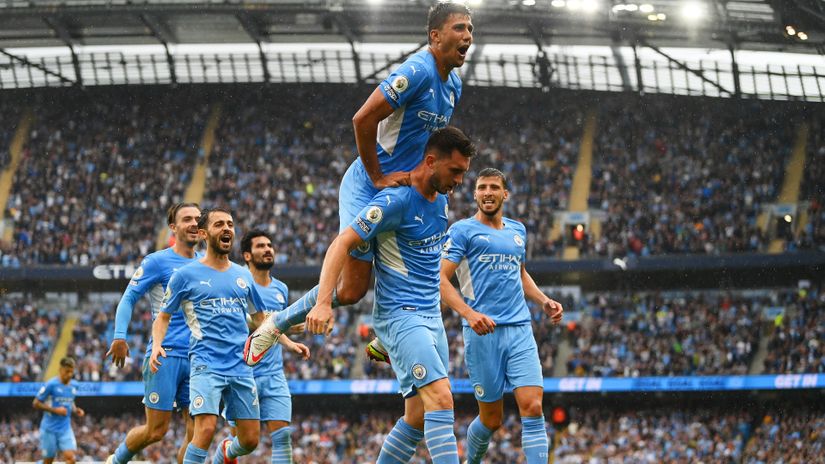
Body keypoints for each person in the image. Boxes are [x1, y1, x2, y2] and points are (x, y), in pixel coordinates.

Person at [243, 1, 474, 363]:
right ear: (435, 35)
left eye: (470, 29)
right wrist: (378, 175)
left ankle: (389, 329)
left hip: (405, 187)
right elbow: (362, 119)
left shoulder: (454, 86)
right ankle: (275, 325)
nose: (467, 36)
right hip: (370, 183)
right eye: (459, 28)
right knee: (350, 289)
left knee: (420, 253)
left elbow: (433, 145)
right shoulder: (416, 71)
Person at [301, 127, 475, 464]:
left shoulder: (440, 202)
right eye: (455, 171)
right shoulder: (394, 201)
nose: (459, 181)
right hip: (401, 315)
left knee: (417, 416)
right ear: (430, 161)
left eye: (464, 173)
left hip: (430, 317)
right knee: (441, 399)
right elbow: (343, 243)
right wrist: (323, 301)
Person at [149, 208, 309, 464]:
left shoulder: (243, 276)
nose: (227, 228)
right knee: (206, 429)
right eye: (219, 224)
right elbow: (163, 316)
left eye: (230, 224)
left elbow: (260, 320)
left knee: (249, 440)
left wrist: (288, 342)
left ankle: (225, 452)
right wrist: (157, 345)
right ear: (203, 233)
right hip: (205, 364)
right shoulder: (185, 276)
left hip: (241, 366)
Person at [440, 168, 564, 463]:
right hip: (483, 333)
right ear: (475, 194)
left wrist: (543, 300)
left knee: (533, 408)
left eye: (494, 187)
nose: (487, 193)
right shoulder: (462, 231)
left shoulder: (517, 231)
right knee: (491, 420)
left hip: (520, 328)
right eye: (482, 187)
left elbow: (519, 273)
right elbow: (441, 280)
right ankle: (472, 461)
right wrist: (469, 315)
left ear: (504, 194)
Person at [106, 202, 201, 464]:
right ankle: (115, 460)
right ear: (174, 227)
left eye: (197, 218)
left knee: (197, 435)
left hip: (198, 358)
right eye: (187, 219)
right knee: (156, 431)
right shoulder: (158, 261)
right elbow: (128, 298)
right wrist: (119, 336)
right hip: (165, 354)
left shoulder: (207, 265)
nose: (194, 223)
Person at [216, 230, 309, 464]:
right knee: (245, 442)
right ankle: (226, 452)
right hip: (242, 373)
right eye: (260, 246)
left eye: (270, 245)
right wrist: (284, 336)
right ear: (247, 255)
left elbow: (278, 325)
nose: (268, 249)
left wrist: (299, 325)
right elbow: (257, 324)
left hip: (274, 374)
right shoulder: (235, 284)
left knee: (283, 436)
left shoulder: (281, 289)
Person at [33, 357, 85, 464]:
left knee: (71, 459)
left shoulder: (74, 385)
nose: (70, 375)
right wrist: (55, 410)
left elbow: (70, 400)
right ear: (60, 369)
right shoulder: (51, 385)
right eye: (67, 371)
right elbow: (36, 403)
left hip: (65, 429)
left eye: (72, 371)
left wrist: (75, 410)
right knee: (48, 461)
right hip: (49, 429)